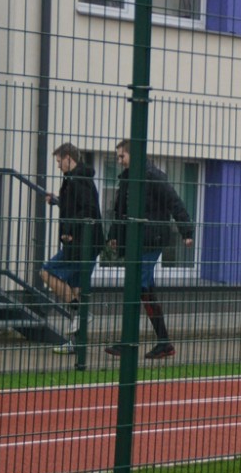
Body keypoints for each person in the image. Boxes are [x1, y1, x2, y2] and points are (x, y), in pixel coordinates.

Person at [104, 139, 194, 360]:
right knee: (145, 291)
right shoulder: (127, 178)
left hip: (152, 239)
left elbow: (175, 202)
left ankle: (128, 342)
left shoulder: (153, 176)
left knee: (136, 286)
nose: (119, 160)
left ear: (133, 154)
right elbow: (120, 210)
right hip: (137, 241)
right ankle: (164, 343)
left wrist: (186, 231)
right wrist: (114, 235)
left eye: (122, 156)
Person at [39, 143, 104, 355]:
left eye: (59, 161)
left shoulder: (78, 180)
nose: (58, 165)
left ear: (69, 158)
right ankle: (76, 344)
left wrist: (69, 230)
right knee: (76, 289)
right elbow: (77, 206)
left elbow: (88, 210)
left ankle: (81, 312)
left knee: (46, 272)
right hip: (87, 243)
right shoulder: (76, 178)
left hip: (81, 244)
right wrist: (57, 201)